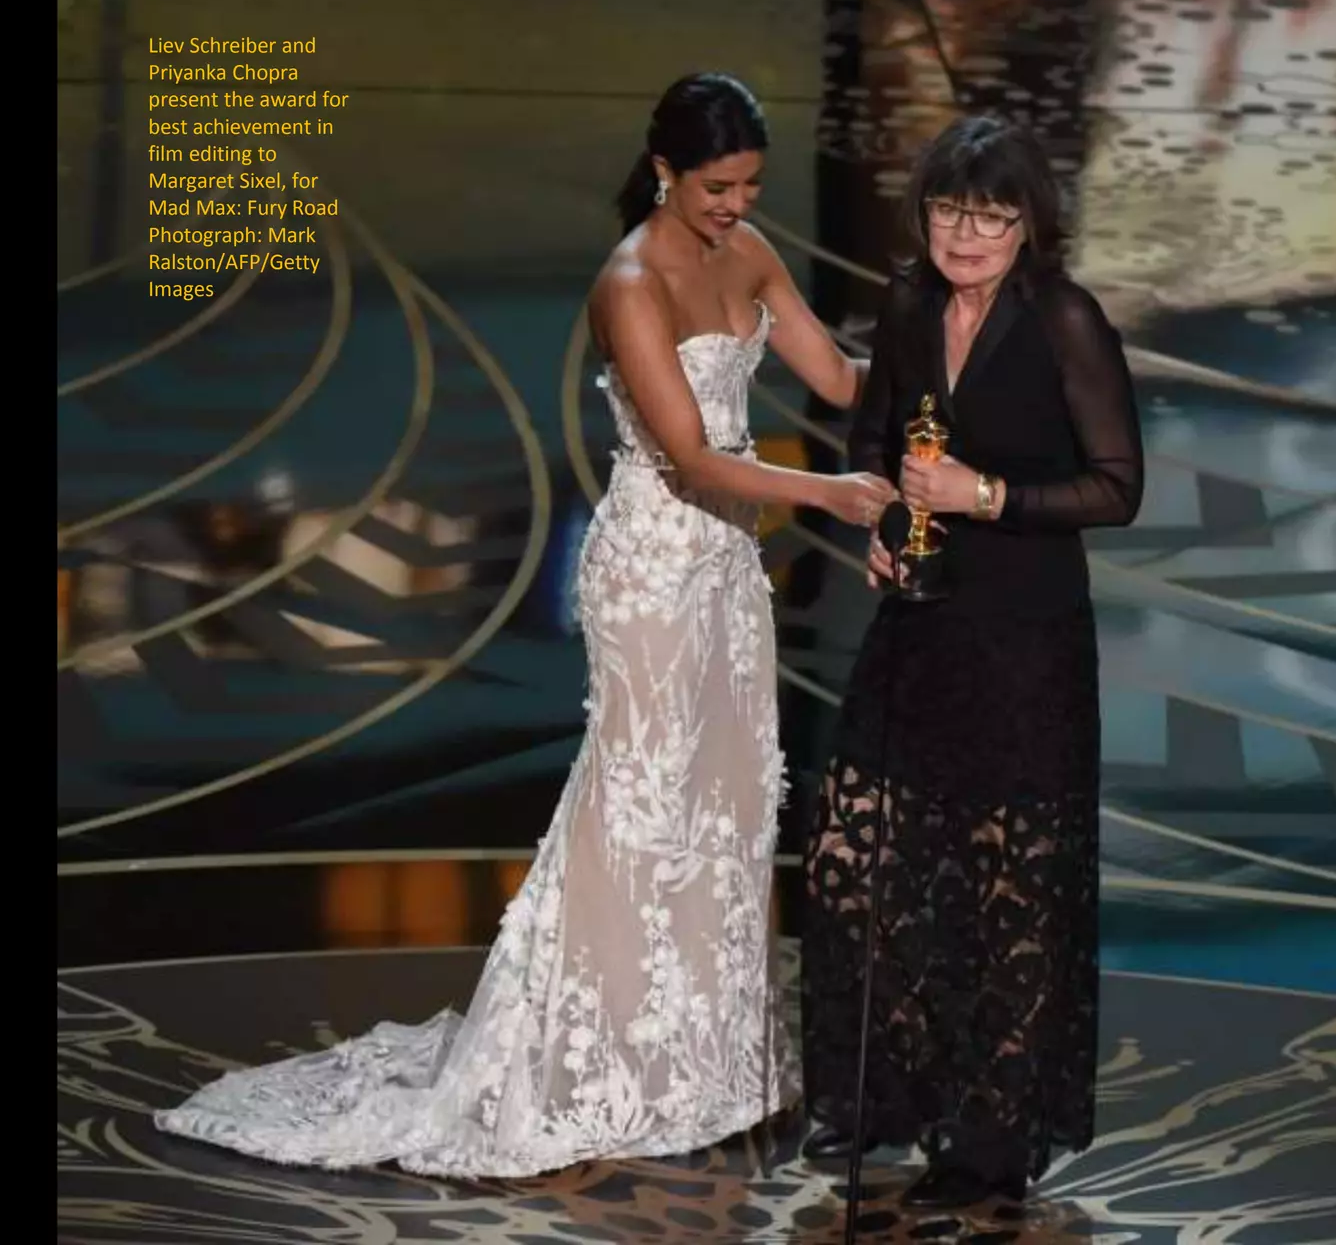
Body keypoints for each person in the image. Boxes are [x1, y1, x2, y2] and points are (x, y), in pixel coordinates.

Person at [153, 72, 896, 1178]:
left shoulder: (749, 252)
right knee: (641, 809)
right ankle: (598, 1063)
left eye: (748, 186)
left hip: (728, 573)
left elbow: (836, 376)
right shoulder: (630, 282)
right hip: (650, 573)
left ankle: (707, 1063)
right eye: (718, 186)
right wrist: (831, 497)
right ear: (664, 170)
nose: (737, 206)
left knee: (729, 803)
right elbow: (689, 453)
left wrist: (951, 368)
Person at [798, 114, 1143, 1208]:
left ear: (1029, 221)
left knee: (1008, 884)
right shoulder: (906, 304)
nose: (967, 234)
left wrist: (981, 495)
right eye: (949, 211)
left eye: (991, 216)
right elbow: (872, 438)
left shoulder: (1064, 320)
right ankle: (889, 1095)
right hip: (922, 623)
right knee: (866, 857)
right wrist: (882, 521)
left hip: (1026, 636)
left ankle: (990, 1137)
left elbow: (1116, 486)